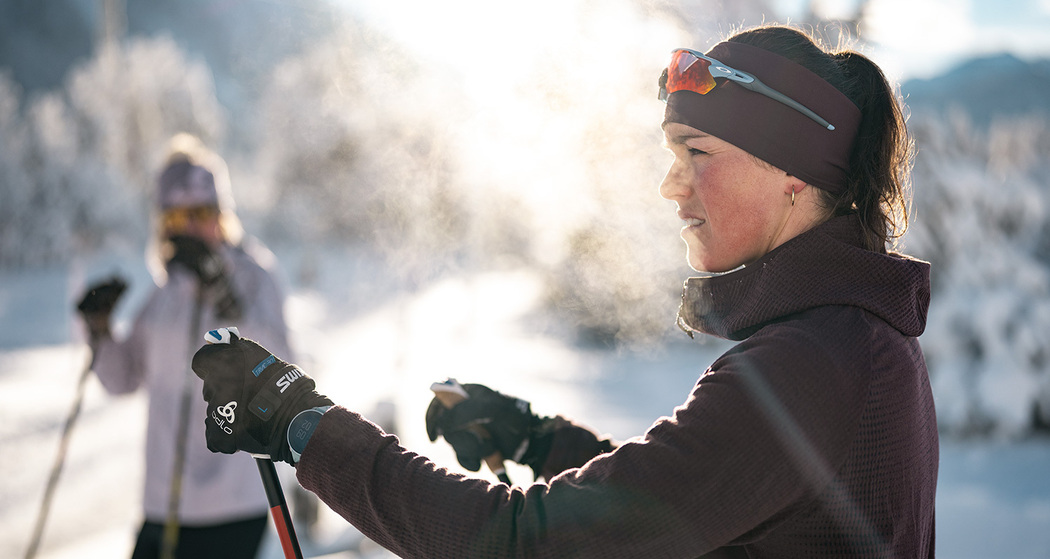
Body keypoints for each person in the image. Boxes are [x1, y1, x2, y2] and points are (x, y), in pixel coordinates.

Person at [191, 24, 937, 558]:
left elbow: (527, 541)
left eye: (696, 153)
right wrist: (541, 442)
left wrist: (304, 425)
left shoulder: (810, 366)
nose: (670, 186)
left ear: (793, 172)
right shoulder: (852, 341)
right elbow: (700, 504)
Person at [75, 133, 295, 559]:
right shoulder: (164, 296)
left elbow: (284, 371)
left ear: (221, 213)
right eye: (175, 218)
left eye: (199, 213)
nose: (189, 227)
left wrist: (223, 296)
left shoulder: (252, 276)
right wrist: (99, 330)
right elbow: (122, 379)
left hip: (232, 505)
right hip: (163, 504)